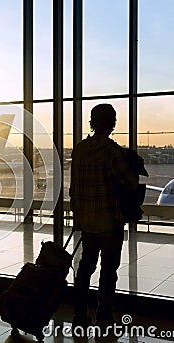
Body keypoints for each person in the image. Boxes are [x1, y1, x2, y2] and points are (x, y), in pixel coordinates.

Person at [69, 104, 138, 332]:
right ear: (112, 123)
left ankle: (79, 314)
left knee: (85, 266)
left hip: (87, 221)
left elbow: (73, 188)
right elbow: (131, 182)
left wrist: (77, 215)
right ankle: (104, 316)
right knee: (108, 270)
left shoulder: (79, 150)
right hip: (109, 222)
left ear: (92, 122)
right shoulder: (113, 152)